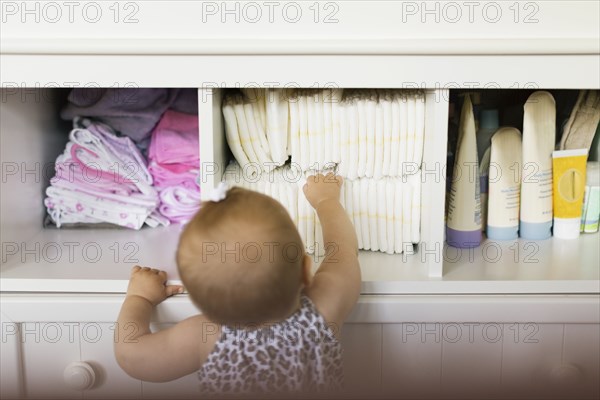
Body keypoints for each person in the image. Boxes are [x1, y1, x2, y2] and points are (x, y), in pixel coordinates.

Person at [115, 173, 361, 396]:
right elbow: (343, 251)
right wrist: (326, 201)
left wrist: (140, 298)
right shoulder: (323, 307)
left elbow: (131, 356)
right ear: (306, 271)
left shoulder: (204, 337)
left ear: (198, 299)